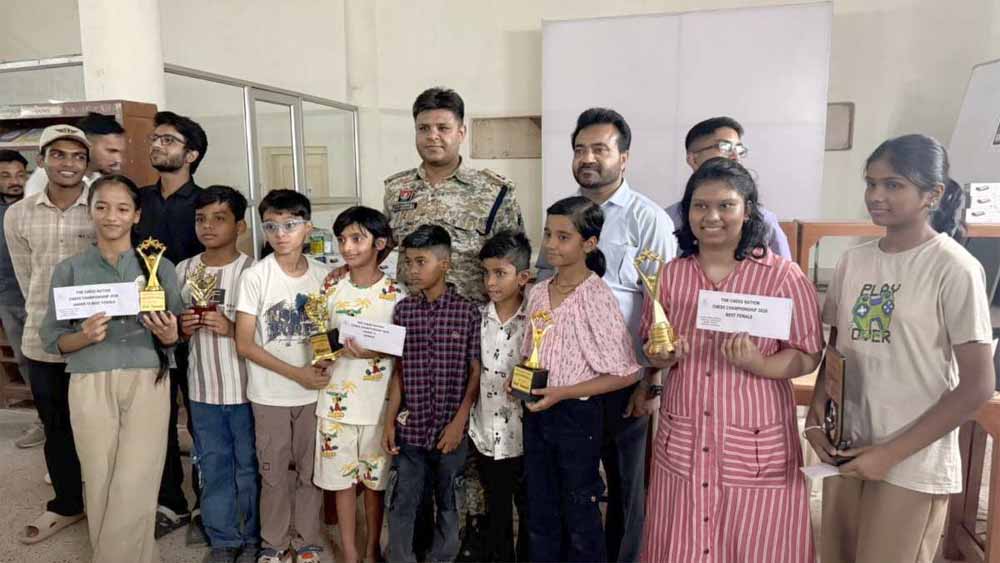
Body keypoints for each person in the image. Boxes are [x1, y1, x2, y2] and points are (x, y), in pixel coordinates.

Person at [805, 135, 996, 563]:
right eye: (871, 183)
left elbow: (978, 386)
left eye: (893, 185)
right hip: (848, 445)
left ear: (933, 194)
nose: (876, 196)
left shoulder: (954, 267)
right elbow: (837, 349)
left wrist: (890, 454)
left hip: (911, 461)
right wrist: (818, 416)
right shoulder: (854, 260)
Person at [640, 158, 823, 562]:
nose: (711, 217)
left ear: (748, 210)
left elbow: (808, 353)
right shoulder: (671, 275)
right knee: (681, 535)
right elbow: (651, 343)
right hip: (685, 434)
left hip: (754, 438)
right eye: (700, 206)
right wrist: (662, 355)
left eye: (725, 205)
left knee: (757, 539)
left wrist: (762, 365)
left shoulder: (782, 276)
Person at [536, 108, 676, 562]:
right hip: (563, 381)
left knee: (624, 486)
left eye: (600, 149)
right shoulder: (563, 216)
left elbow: (663, 304)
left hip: (624, 380)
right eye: (580, 149)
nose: (588, 158)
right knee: (568, 486)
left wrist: (652, 381)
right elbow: (543, 289)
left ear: (624, 158)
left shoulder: (647, 219)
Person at [39, 174, 183, 563]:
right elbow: (53, 339)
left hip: (146, 377)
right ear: (90, 211)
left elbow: (177, 333)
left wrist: (170, 335)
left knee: (138, 474)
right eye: (101, 207)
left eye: (122, 208)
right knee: (99, 474)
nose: (111, 216)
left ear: (136, 215)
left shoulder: (159, 266)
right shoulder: (69, 270)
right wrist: (84, 335)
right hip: (89, 379)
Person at [523, 196, 642, 562]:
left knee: (579, 508)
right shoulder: (538, 292)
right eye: (548, 234)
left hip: (577, 417)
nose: (551, 244)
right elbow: (530, 352)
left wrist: (564, 392)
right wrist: (522, 382)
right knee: (540, 507)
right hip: (536, 411)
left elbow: (627, 372)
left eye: (563, 237)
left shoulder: (596, 296)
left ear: (589, 244)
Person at [6, 125, 95, 545]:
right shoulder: (18, 214)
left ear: (87, 164)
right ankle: (67, 503)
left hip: (97, 339)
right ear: (42, 161)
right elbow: (28, 278)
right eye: (58, 154)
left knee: (100, 424)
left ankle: (107, 499)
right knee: (56, 425)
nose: (68, 164)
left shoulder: (102, 204)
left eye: (78, 156)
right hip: (42, 338)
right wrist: (49, 319)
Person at [234, 189, 330, 563]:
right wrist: (297, 374)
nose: (280, 234)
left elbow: (327, 333)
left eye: (290, 225)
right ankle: (273, 543)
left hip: (313, 393)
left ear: (308, 228)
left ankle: (306, 541)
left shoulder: (324, 276)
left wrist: (323, 366)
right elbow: (244, 343)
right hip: (269, 394)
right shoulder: (256, 277)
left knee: (310, 471)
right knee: (272, 473)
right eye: (271, 226)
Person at [383, 224, 482, 563]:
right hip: (411, 428)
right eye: (408, 262)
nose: (412, 270)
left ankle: (442, 558)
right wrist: (389, 421)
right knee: (403, 500)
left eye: (420, 262)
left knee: (450, 500)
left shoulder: (467, 312)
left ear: (445, 264)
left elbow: (475, 373)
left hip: (449, 430)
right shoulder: (404, 311)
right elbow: (399, 371)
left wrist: (458, 423)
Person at [313, 206, 406, 563]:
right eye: (342, 240)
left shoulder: (396, 293)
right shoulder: (331, 286)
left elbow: (403, 353)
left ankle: (371, 550)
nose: (347, 247)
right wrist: (321, 357)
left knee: (374, 484)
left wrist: (373, 352)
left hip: (378, 407)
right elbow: (319, 336)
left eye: (357, 239)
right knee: (341, 483)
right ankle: (350, 552)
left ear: (379, 244)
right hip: (335, 405)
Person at [132, 110, 209, 539]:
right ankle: (170, 502)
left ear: (191, 154)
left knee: (200, 419)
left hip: (195, 326)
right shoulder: (138, 200)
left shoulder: (206, 204)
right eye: (155, 139)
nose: (157, 145)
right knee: (156, 417)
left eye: (168, 140)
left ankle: (205, 504)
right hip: (146, 323)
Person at [176, 185, 259, 563]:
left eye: (219, 218)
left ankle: (253, 537)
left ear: (240, 226)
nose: (207, 226)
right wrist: (182, 328)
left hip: (247, 391)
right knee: (211, 466)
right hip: (203, 390)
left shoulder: (254, 272)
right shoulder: (183, 269)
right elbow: (172, 330)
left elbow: (271, 336)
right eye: (201, 219)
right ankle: (223, 539)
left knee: (249, 466)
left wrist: (232, 328)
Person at [384, 87, 525, 303]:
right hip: (410, 315)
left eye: (443, 128)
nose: (432, 136)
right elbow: (380, 245)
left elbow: (514, 260)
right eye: (423, 128)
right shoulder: (396, 189)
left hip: (471, 316)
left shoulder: (493, 191)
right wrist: (347, 271)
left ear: (461, 133)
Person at [468, 229, 532, 563]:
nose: (490, 282)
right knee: (496, 511)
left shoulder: (535, 320)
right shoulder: (477, 319)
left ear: (523, 277)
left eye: (500, 273)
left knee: (531, 511)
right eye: (486, 273)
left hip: (525, 437)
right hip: (486, 435)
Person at [664, 116, 792, 259]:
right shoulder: (666, 220)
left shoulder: (764, 221)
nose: (735, 156)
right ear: (693, 159)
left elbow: (784, 268)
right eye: (725, 147)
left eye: (739, 149)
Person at [0, 150, 40, 449]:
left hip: (41, 295)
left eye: (20, 174)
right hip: (10, 296)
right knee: (25, 359)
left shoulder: (37, 207)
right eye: (5, 176)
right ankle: (44, 419)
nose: (15, 181)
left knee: (56, 359)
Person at [24, 112, 127, 196]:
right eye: (111, 151)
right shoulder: (49, 175)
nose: (118, 159)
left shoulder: (98, 178)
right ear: (87, 144)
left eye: (120, 152)